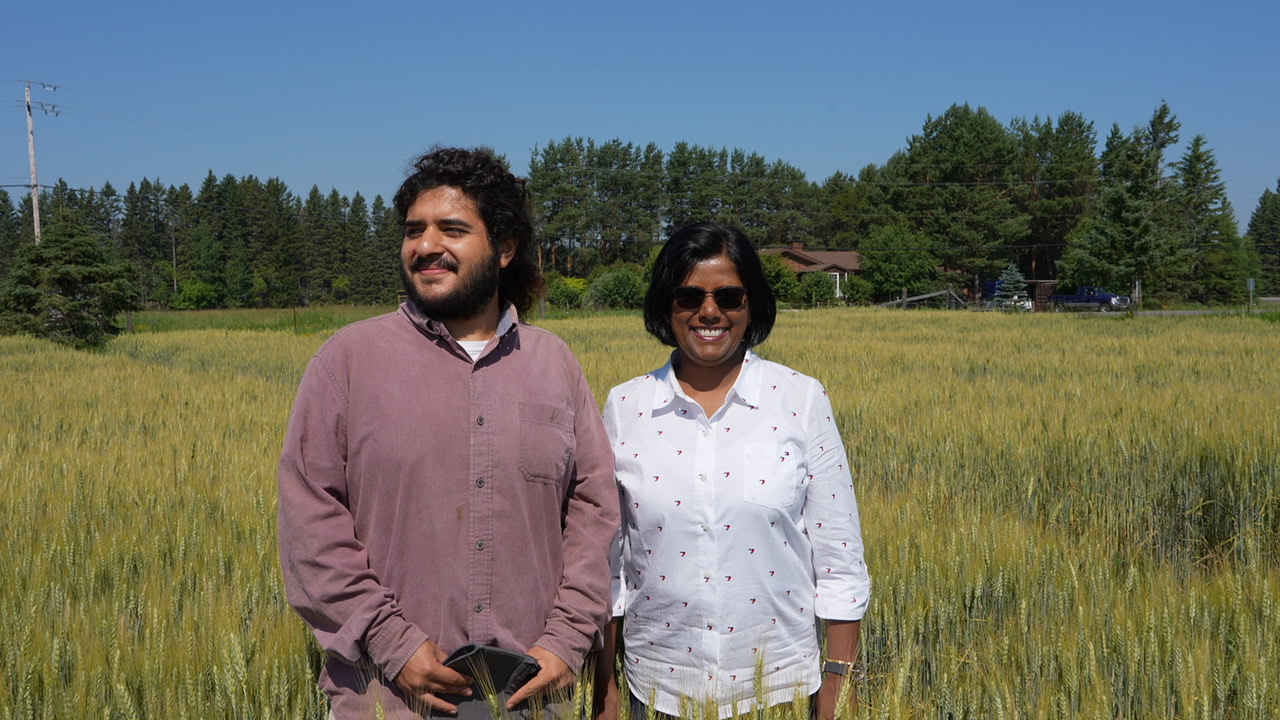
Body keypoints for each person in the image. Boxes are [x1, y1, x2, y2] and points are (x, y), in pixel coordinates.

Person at [278, 146, 620, 719]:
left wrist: (567, 639)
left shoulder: (554, 364)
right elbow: (309, 521)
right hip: (390, 699)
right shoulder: (348, 361)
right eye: (414, 230)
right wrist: (391, 640)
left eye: (452, 229)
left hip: (531, 697)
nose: (426, 245)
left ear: (504, 248)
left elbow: (594, 511)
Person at [595, 222, 870, 720]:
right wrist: (604, 687)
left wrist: (838, 682)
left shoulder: (800, 399)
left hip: (780, 692)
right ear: (665, 305)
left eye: (728, 296)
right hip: (657, 692)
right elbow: (608, 563)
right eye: (688, 296)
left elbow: (839, 557)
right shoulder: (625, 406)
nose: (709, 312)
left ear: (751, 304)